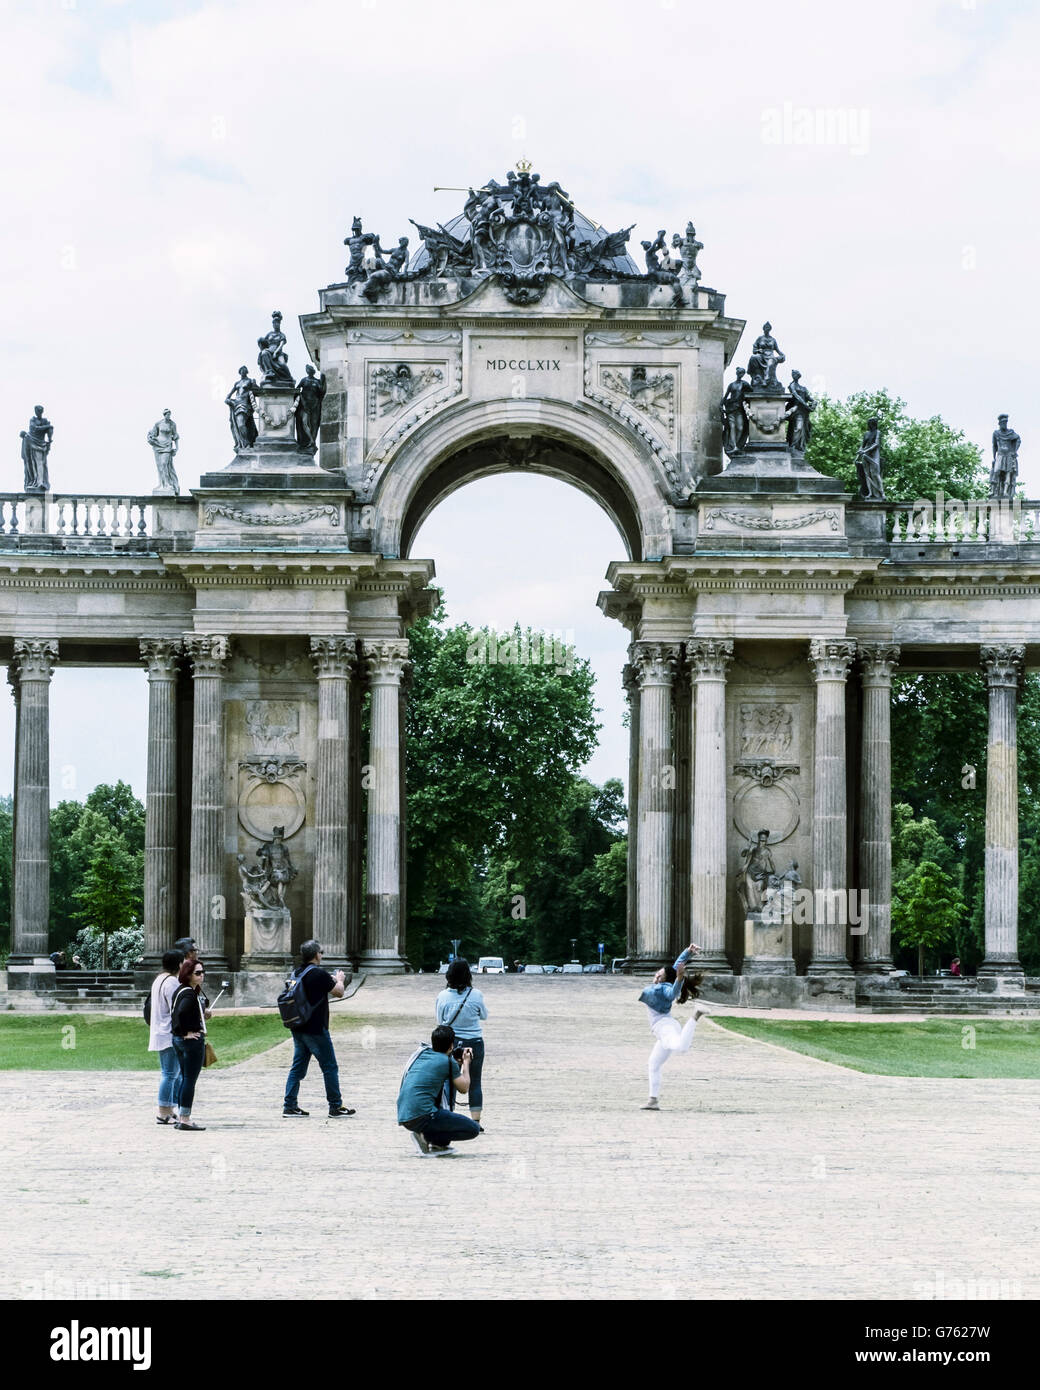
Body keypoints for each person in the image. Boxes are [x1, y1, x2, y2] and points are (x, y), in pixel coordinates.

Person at [282, 940, 354, 1119]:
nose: (322, 955)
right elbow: (339, 992)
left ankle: (290, 1106)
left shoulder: (296, 973)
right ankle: (335, 1107)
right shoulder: (318, 974)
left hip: (298, 1025)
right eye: (321, 952)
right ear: (316, 955)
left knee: (297, 1068)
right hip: (315, 1028)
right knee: (329, 1066)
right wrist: (340, 979)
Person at [638, 942, 709, 1111]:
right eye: (657, 974)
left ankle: (696, 1016)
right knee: (653, 1064)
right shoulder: (661, 983)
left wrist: (678, 979)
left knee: (681, 1048)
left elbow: (672, 994)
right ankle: (653, 1100)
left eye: (660, 977)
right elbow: (676, 966)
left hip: (665, 1028)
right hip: (663, 1030)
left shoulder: (664, 989)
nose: (656, 977)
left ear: (666, 981)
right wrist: (688, 952)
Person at [397, 1025, 481, 1156]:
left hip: (405, 1115)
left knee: (445, 1118)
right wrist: (465, 1063)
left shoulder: (422, 1053)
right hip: (424, 1116)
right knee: (473, 1129)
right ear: (451, 1046)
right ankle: (427, 1138)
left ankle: (435, 1143)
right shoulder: (447, 1062)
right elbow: (464, 1088)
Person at [435, 958, 488, 1128]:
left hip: (451, 1043)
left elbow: (440, 1021)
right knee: (475, 1081)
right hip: (475, 1042)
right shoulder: (476, 994)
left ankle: (449, 1116)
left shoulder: (442, 996)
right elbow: (484, 1016)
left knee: (449, 1081)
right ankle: (476, 1121)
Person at [170, 957, 212, 1131]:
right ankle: (185, 1118)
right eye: (198, 973)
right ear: (188, 974)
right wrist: (186, 1032)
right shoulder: (188, 993)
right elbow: (181, 1013)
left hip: (179, 1040)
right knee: (188, 1079)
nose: (201, 976)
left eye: (203, 972)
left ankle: (182, 1116)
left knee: (185, 1078)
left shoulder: (182, 990)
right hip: (190, 1041)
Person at [148, 948, 185, 1125]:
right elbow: (176, 1007)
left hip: (161, 1031)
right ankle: (163, 1111)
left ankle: (169, 1109)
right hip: (167, 1032)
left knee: (173, 1073)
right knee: (170, 1073)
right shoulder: (170, 982)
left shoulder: (159, 979)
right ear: (179, 964)